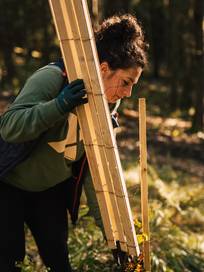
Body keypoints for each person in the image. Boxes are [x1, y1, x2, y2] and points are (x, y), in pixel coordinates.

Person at [0, 14, 148, 272]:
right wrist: (59, 105)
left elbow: (95, 170)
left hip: (51, 191)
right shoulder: (53, 78)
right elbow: (9, 128)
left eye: (132, 86)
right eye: (126, 83)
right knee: (9, 262)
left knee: (60, 263)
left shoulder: (110, 104)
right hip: (9, 185)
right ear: (103, 69)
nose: (127, 93)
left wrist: (114, 236)